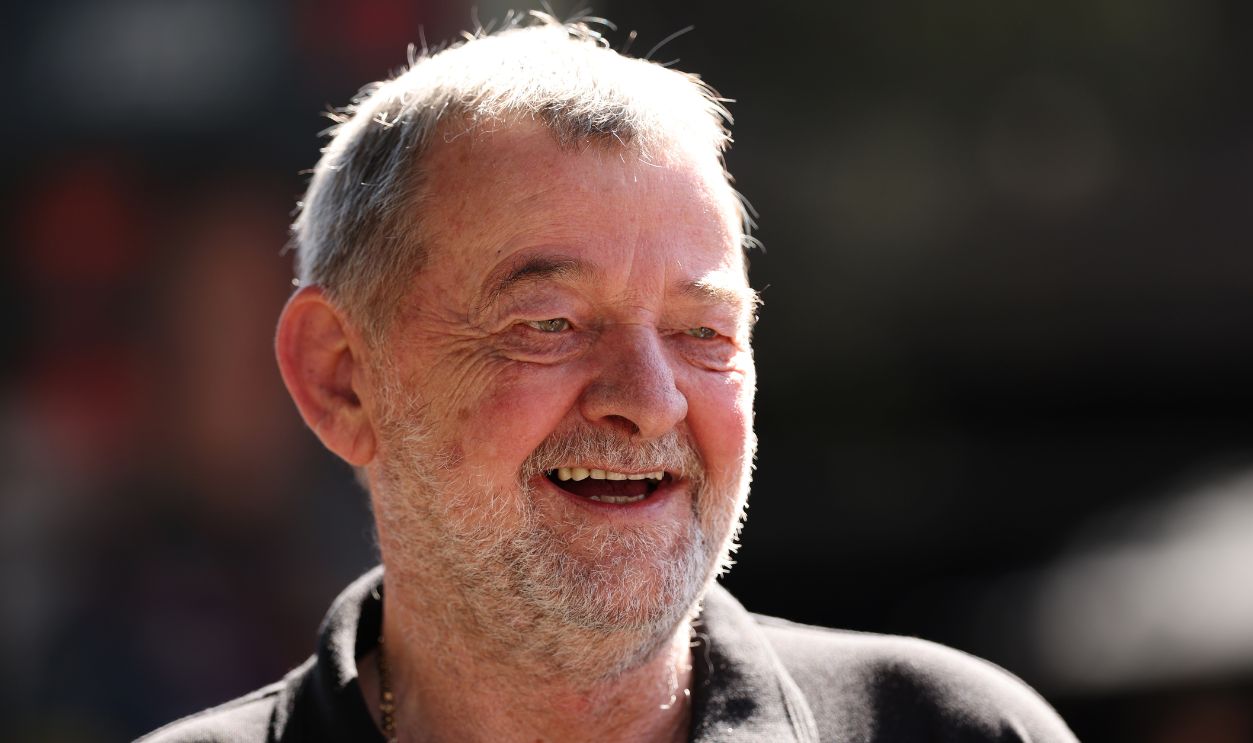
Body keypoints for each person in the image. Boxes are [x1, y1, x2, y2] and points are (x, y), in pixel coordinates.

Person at [141, 14, 1077, 743]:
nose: (649, 397)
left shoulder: (956, 730)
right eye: (549, 325)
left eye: (702, 332)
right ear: (341, 379)